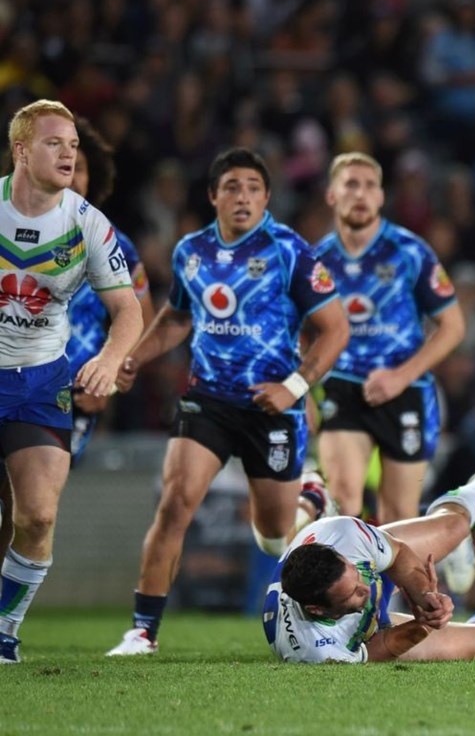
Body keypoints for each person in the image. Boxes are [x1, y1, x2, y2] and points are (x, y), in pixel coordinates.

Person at [106, 148, 351, 656]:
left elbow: (335, 329)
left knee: (273, 536)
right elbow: (177, 318)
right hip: (208, 399)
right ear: (213, 195)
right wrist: (135, 356)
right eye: (233, 187)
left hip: (271, 406)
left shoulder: (290, 250)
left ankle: (309, 493)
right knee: (175, 503)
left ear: (266, 198)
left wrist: (294, 389)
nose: (243, 196)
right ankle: (142, 632)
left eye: (254, 188)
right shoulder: (190, 251)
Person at [0, 100, 143, 663]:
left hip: (41, 383)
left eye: (74, 146)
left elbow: (128, 310)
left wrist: (109, 358)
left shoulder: (87, 223)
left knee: (36, 516)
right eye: (54, 143)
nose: (67, 154)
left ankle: (5, 631)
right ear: (21, 151)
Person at [266, 446, 475, 663]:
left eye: (356, 577)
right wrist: (424, 625)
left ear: (342, 559)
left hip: (373, 559)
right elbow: (380, 649)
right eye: (352, 594)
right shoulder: (316, 651)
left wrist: (424, 596)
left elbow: (399, 556)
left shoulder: (344, 536)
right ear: (316, 609)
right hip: (367, 631)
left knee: (454, 526)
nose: (365, 590)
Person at [313, 152, 465, 523]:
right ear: (331, 195)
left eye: (370, 186)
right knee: (343, 505)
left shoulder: (410, 252)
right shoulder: (317, 261)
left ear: (381, 196)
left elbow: (453, 326)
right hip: (342, 385)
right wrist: (301, 390)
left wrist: (400, 376)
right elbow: (295, 332)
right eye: (350, 184)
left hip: (405, 389)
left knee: (398, 517)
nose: (360, 194)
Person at [62, 119, 156, 460]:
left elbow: (144, 320)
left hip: (75, 394)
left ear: (93, 177)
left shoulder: (115, 244)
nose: (71, 177)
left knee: (38, 489)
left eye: (79, 168)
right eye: (63, 166)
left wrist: (110, 380)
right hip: (12, 380)